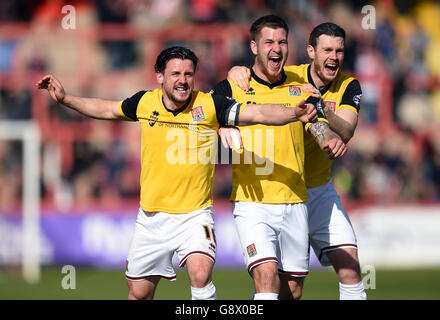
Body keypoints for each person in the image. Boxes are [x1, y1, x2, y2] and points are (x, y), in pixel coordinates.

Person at [37, 46, 318, 300]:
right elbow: (108, 109)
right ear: (159, 76)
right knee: (139, 293)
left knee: (200, 274)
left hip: (196, 216)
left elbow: (256, 113)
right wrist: (65, 99)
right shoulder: (145, 103)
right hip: (151, 218)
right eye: (175, 74)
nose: (183, 80)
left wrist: (294, 113)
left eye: (188, 74)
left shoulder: (209, 105)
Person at [227, 22, 366, 300]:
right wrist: (235, 71)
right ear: (311, 51)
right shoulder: (290, 77)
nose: (334, 57)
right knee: (280, 284)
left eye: (339, 51)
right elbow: (259, 77)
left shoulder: (349, 85)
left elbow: (347, 130)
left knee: (350, 267)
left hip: (319, 191)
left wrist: (320, 107)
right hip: (284, 188)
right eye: (327, 49)